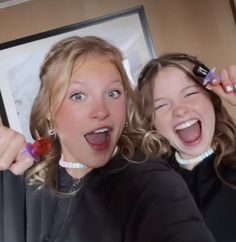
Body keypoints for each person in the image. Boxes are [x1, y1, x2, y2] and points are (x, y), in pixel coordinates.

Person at [0, 38, 215, 242]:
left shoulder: (151, 182)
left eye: (113, 93)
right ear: (48, 108)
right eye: (78, 96)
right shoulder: (15, 177)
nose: (101, 111)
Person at [136, 52, 236, 242]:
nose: (179, 110)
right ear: (152, 123)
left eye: (190, 93)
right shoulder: (150, 187)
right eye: (162, 105)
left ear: (212, 100)